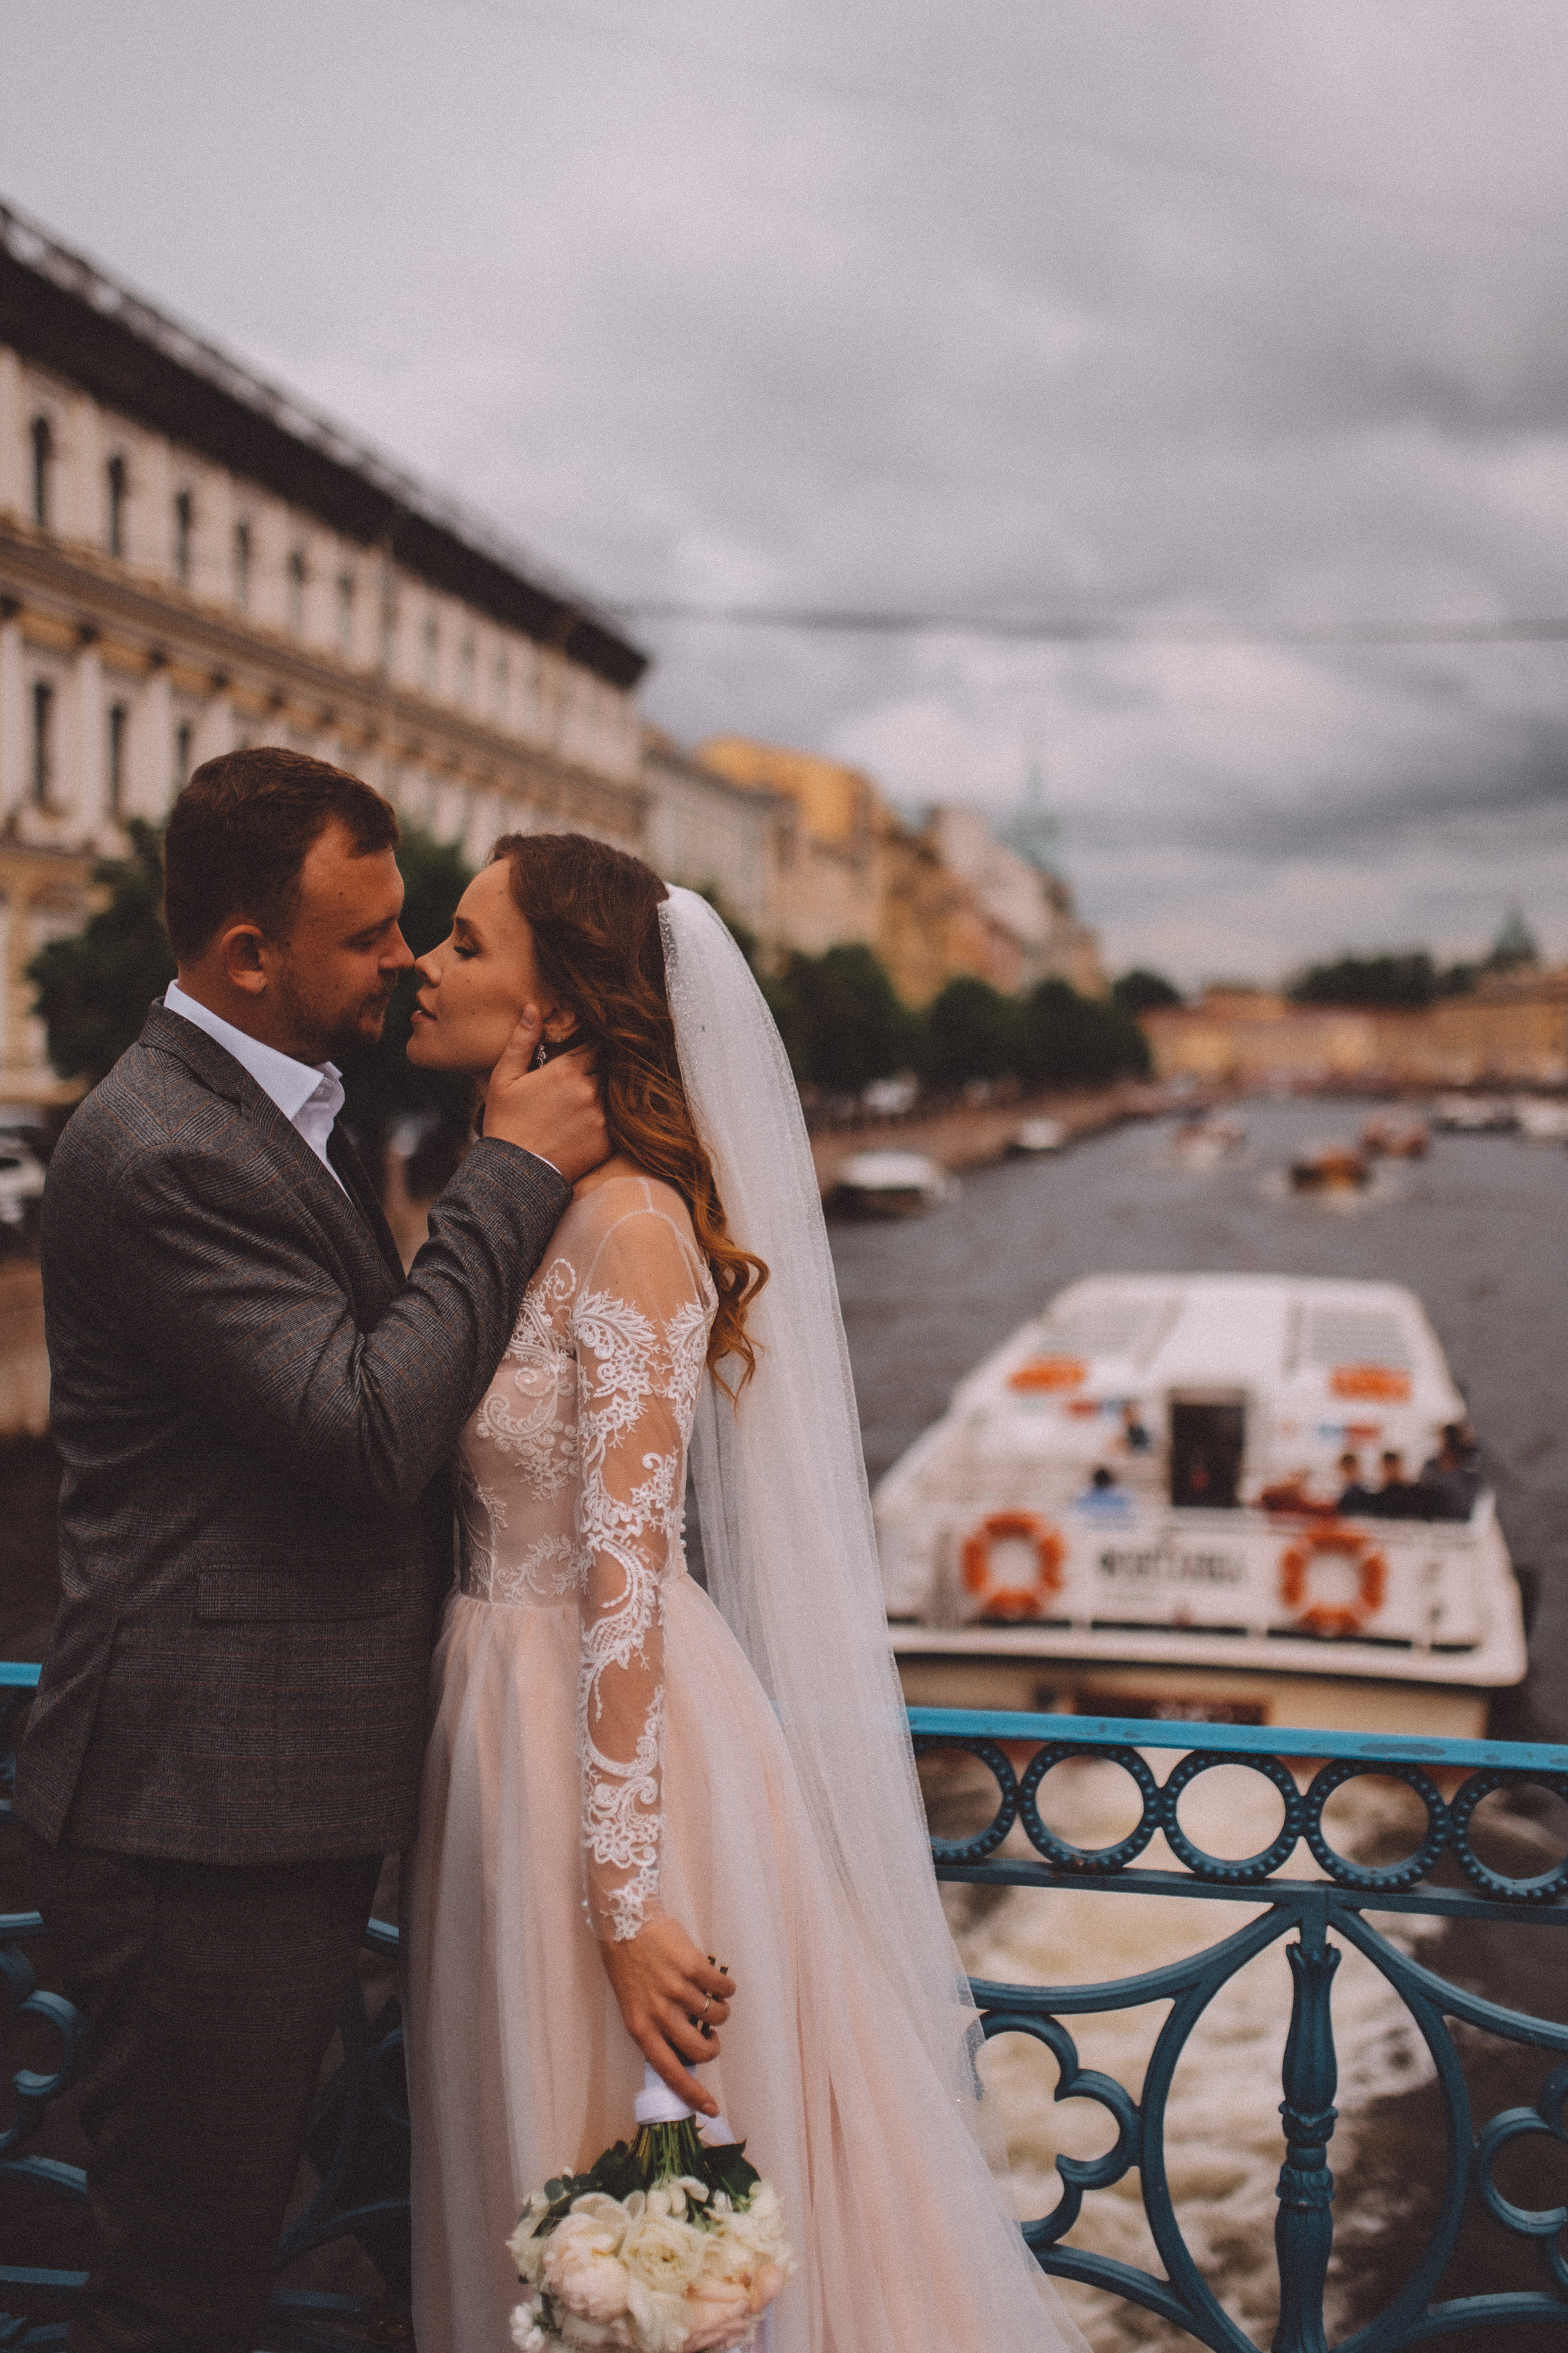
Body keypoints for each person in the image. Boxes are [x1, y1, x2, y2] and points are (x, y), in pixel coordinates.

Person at [401, 837, 1088, 2353]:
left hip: (606, 1750)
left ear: (559, 1003)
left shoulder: (637, 1227)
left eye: (462, 942)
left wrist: (626, 1893)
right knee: (514, 2157)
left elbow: (626, 1581)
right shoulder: (513, 1207)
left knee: (600, 2164)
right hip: (496, 1728)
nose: (421, 966)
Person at [15, 750, 609, 2353]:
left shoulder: (285, 1109)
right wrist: (518, 1170)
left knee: (319, 2254)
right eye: (369, 936)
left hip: (287, 1793)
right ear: (245, 957)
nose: (406, 959)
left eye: (413, 922)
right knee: (180, 2293)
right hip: (200, 1820)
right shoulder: (162, 1149)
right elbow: (362, 1432)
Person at [1421, 1422, 1483, 1521]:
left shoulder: (1469, 1468)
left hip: (1462, 1522)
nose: (1446, 1443)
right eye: (1444, 1439)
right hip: (1436, 1521)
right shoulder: (1431, 1466)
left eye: (1450, 1438)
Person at [1364, 1448, 1433, 1520]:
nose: (1391, 1471)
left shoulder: (1415, 1494)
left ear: (1400, 1467)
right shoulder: (1375, 1499)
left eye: (1393, 1467)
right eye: (1387, 1467)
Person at [1335, 1448, 1380, 1515]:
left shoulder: (1370, 1489)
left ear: (1358, 1468)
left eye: (1352, 1468)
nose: (1350, 1472)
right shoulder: (1337, 1492)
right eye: (1347, 1469)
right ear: (1342, 1470)